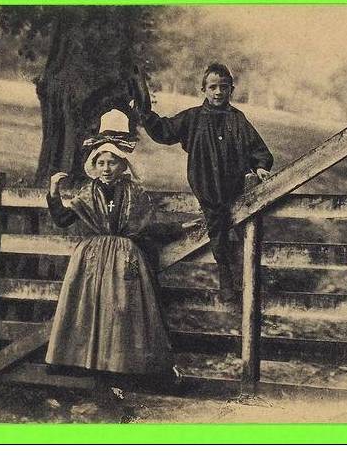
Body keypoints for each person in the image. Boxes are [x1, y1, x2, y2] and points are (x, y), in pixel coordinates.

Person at [44, 110, 184, 388]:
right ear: (94, 165)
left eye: (113, 163)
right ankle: (89, 364)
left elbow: (145, 226)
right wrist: (53, 191)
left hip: (125, 259)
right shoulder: (87, 192)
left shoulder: (133, 193)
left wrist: (178, 229)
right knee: (90, 307)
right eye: (101, 162)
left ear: (124, 166)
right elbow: (62, 219)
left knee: (122, 310)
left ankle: (123, 366)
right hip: (92, 260)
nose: (107, 168)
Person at [134, 62, 274, 302]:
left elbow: (257, 148)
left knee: (246, 228)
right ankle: (225, 275)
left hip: (235, 186)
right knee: (216, 223)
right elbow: (164, 131)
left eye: (223, 87)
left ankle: (258, 274)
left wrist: (261, 166)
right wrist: (145, 114)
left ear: (231, 89)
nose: (218, 92)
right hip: (207, 183)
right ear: (203, 90)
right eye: (212, 87)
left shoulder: (238, 119)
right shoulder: (193, 117)